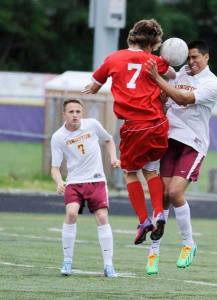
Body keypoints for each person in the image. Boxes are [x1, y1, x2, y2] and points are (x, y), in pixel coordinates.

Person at [83, 19, 176, 245]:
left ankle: (144, 220)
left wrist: (93, 89)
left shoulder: (113, 58)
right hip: (157, 124)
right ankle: (159, 213)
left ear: (131, 37)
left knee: (130, 173)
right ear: (153, 43)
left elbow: (94, 86)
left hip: (134, 126)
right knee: (151, 171)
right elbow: (172, 73)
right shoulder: (154, 60)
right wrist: (164, 59)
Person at [145, 40, 217, 275]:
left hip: (193, 144)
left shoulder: (213, 84)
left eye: (196, 57)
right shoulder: (181, 74)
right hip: (170, 139)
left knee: (175, 192)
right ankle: (154, 250)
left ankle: (189, 243)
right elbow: (167, 100)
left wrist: (158, 79)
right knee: (162, 195)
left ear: (207, 57)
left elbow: (182, 99)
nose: (191, 62)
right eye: (188, 58)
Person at [51, 98, 120, 277]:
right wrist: (59, 182)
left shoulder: (92, 125)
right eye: (71, 112)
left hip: (97, 180)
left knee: (102, 217)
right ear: (64, 114)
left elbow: (109, 140)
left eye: (78, 112)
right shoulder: (58, 137)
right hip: (74, 182)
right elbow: (55, 167)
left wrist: (113, 158)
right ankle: (67, 261)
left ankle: (108, 265)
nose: (75, 115)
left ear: (82, 113)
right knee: (72, 213)